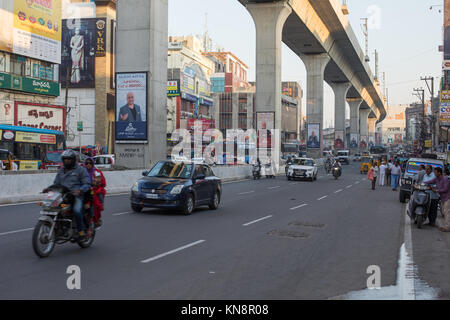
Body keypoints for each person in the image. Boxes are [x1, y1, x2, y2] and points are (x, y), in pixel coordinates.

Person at [44, 150, 90, 240]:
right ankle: (58, 228)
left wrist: (80, 190)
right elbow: (56, 183)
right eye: (65, 159)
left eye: (69, 159)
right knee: (52, 209)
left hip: (76, 195)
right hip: (63, 195)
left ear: (73, 159)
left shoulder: (80, 170)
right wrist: (49, 188)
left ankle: (81, 231)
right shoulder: (61, 170)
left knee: (77, 211)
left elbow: (87, 183)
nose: (67, 161)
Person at [424, 167, 450, 232]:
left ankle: (447, 227)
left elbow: (445, 189)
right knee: (444, 212)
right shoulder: (436, 179)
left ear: (439, 172)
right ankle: (447, 225)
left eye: (435, 172)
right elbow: (430, 181)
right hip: (442, 198)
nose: (434, 173)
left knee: (447, 213)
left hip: (448, 197)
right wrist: (422, 183)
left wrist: (436, 190)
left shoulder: (445, 179)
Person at [84, 157, 106, 228]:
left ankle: (95, 219)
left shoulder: (97, 172)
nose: (88, 165)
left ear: (93, 164)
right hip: (84, 190)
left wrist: (96, 183)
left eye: (90, 163)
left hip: (94, 191)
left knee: (94, 203)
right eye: (86, 163)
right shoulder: (82, 172)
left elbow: (103, 183)